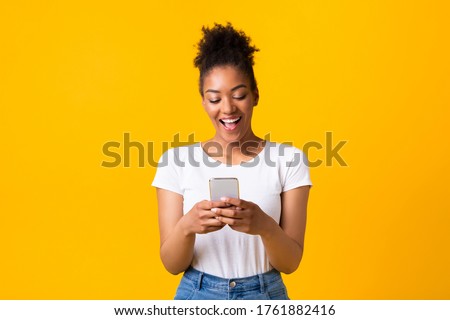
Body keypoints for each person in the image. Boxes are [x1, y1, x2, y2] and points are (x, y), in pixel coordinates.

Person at [151, 22, 312, 300]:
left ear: (255, 95)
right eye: (215, 99)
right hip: (197, 294)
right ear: (203, 102)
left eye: (239, 95)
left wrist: (264, 226)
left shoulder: (289, 160)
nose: (227, 108)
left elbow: (290, 263)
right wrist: (188, 226)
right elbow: (171, 264)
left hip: (265, 295)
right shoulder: (174, 162)